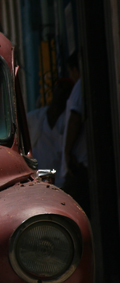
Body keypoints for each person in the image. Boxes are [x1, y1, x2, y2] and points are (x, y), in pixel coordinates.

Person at [56, 52, 89, 214]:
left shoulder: (80, 86)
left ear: (76, 69)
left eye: (71, 72)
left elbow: (75, 119)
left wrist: (68, 153)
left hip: (79, 162)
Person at [27, 78, 74, 172]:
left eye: (64, 91)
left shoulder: (67, 121)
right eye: (59, 88)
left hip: (60, 177)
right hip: (39, 176)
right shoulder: (34, 118)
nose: (60, 93)